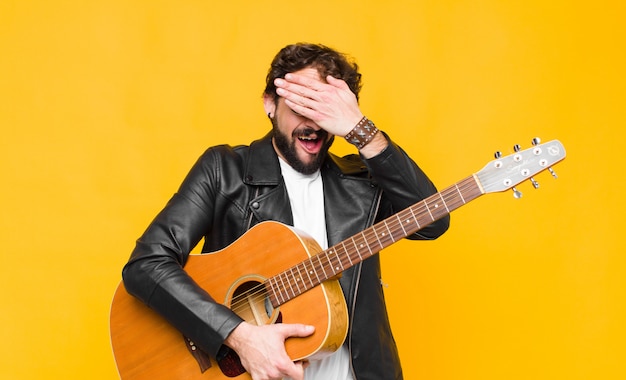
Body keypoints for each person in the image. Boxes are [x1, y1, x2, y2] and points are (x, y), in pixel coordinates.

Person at [122, 42, 450, 380]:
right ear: (270, 104)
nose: (314, 123)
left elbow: (434, 221)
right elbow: (146, 265)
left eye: (325, 108)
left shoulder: (363, 181)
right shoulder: (224, 170)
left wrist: (361, 129)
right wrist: (239, 336)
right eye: (302, 104)